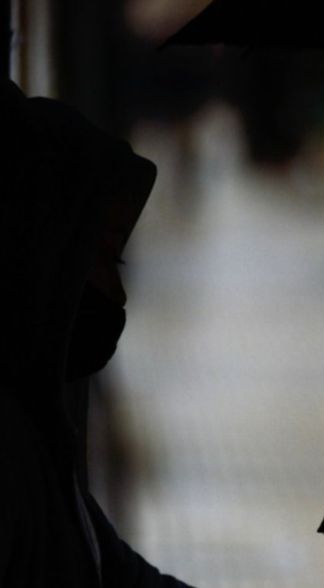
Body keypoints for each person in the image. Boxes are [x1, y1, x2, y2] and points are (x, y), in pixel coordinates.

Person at [0, 80, 194, 587]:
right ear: (43, 258)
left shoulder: (33, 436)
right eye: (107, 258)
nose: (118, 294)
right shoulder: (10, 456)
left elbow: (113, 575)